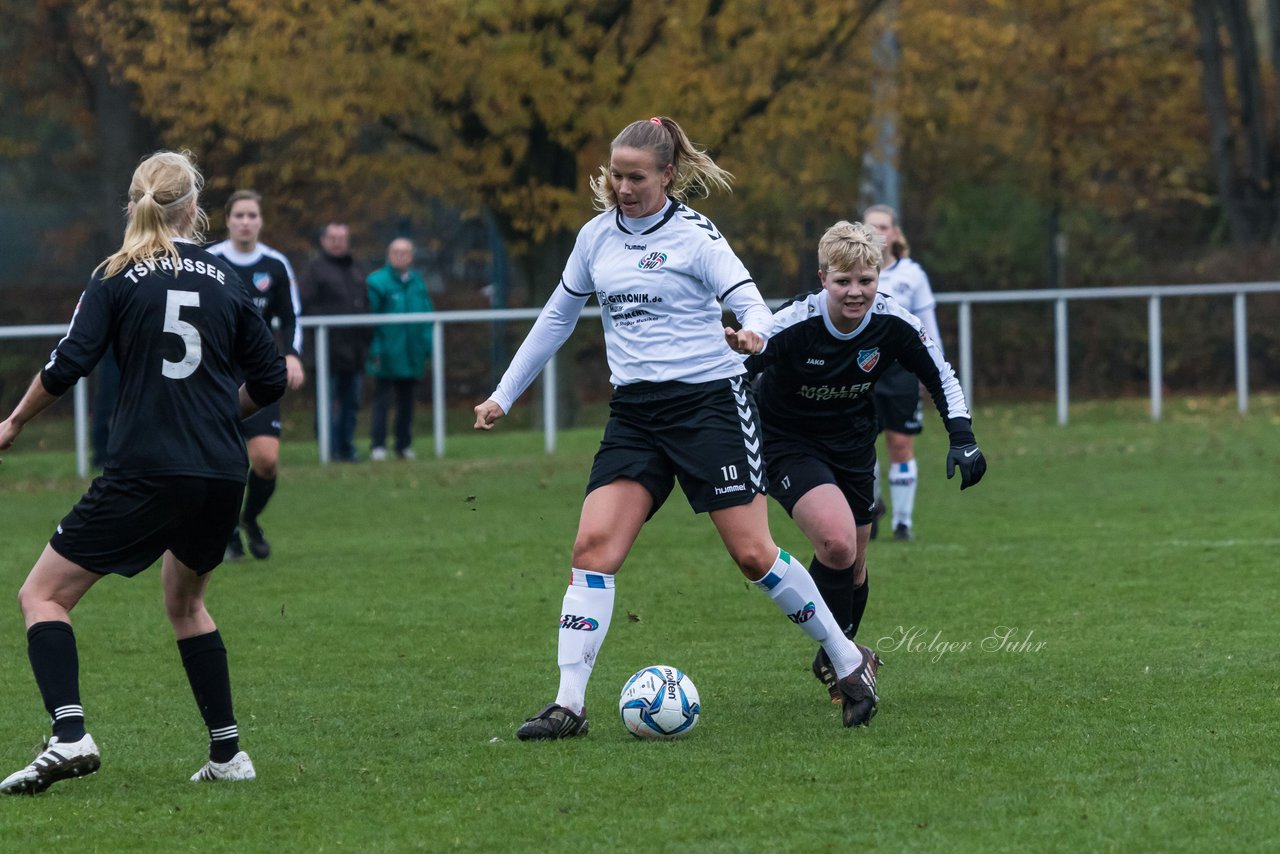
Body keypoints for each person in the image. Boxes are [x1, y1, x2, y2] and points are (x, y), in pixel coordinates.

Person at [474, 116, 881, 738]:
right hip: (636, 415)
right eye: (616, 174)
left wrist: (752, 333)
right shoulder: (594, 239)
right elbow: (556, 318)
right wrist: (505, 394)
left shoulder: (695, 236)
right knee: (592, 551)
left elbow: (748, 301)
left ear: (667, 175)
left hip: (709, 406)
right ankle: (570, 706)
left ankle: (849, 662)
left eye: (637, 176)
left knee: (752, 554)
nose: (623, 187)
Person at [0, 150, 287, 794]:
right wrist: (218, 414)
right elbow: (270, 379)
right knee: (187, 603)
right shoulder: (227, 279)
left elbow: (69, 361)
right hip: (219, 472)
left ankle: (69, 736)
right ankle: (228, 754)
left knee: (41, 596)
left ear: (135, 204)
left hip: (147, 468)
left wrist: (14, 422)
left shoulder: (115, 274)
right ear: (194, 208)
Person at [745, 220, 986, 704]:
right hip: (789, 441)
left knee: (853, 566)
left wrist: (963, 438)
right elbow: (730, 373)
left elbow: (940, 373)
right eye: (843, 282)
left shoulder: (893, 322)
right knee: (836, 544)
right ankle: (844, 660)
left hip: (853, 444)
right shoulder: (793, 324)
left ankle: (838, 654)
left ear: (879, 277)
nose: (856, 293)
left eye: (866, 281)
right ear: (822, 279)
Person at [208, 190, 306, 560]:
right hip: (216, 373)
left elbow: (291, 315)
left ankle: (248, 519)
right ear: (229, 221)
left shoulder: (275, 263)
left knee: (265, 461)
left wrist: (293, 356)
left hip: (259, 372)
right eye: (239, 216)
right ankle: (226, 528)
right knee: (222, 460)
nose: (246, 222)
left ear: (260, 221)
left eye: (252, 215)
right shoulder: (212, 260)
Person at [861, 204, 944, 541]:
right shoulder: (853, 271)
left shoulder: (912, 275)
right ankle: (873, 502)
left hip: (901, 373)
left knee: (900, 444)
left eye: (884, 226)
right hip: (861, 368)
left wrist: (934, 371)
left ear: (895, 233)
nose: (878, 233)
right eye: (871, 227)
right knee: (863, 444)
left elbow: (929, 327)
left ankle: (903, 523)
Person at [300, 222, 369, 462]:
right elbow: (302, 306)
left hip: (355, 352)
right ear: (323, 241)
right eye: (333, 237)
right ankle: (328, 451)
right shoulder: (315, 270)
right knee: (327, 405)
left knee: (351, 405)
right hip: (326, 352)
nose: (338, 242)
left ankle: (346, 448)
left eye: (342, 237)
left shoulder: (356, 269)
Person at [366, 237, 433, 461]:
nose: (400, 256)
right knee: (382, 401)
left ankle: (403, 445)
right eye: (395, 252)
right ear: (388, 254)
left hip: (411, 354)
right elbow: (369, 321)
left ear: (411, 256)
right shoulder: (377, 282)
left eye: (404, 252)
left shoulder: (417, 283)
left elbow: (426, 316)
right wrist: (375, 349)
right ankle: (378, 446)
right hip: (386, 353)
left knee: (407, 402)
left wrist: (427, 346)